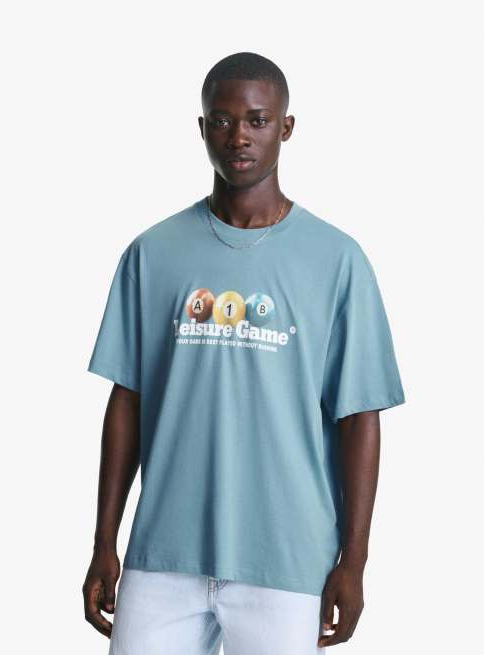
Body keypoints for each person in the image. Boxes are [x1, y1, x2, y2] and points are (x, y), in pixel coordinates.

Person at [82, 51, 405, 654]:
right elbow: (127, 400)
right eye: (223, 120)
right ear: (202, 127)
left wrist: (354, 559)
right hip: (162, 555)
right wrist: (105, 541)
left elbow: (359, 416)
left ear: (286, 127)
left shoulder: (337, 260)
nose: (239, 137)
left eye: (257, 120)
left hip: (287, 561)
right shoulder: (152, 253)